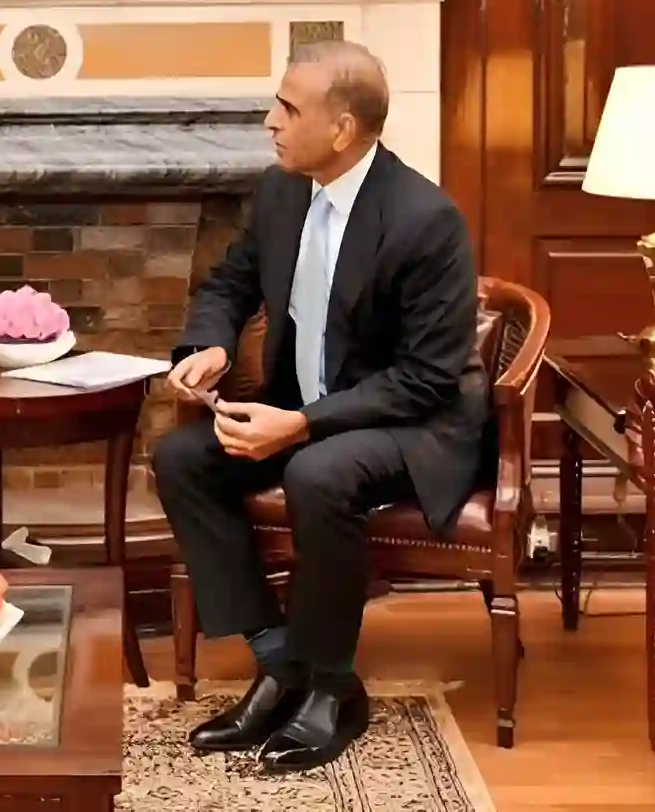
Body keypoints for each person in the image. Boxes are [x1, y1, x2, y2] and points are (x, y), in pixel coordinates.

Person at [153, 39, 484, 774]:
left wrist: (301, 425)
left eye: (288, 109)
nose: (270, 121)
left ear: (341, 130)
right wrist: (208, 346)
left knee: (317, 473)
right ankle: (280, 662)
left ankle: (334, 688)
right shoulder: (281, 192)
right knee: (182, 458)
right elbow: (230, 283)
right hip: (303, 409)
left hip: (410, 425)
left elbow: (426, 378)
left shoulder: (425, 219)